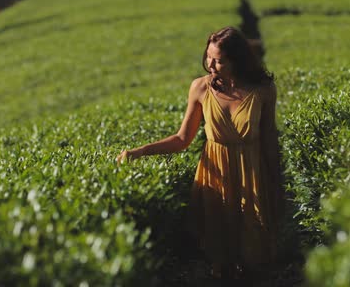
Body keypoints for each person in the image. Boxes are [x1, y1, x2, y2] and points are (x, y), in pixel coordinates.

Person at [116, 26, 281, 279]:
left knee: (255, 259)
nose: (211, 65)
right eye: (208, 57)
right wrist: (140, 152)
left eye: (219, 60)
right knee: (220, 260)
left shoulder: (263, 90)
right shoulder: (201, 88)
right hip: (216, 178)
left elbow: (269, 138)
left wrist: (275, 181)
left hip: (252, 175)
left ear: (237, 60)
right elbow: (182, 139)